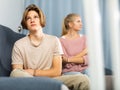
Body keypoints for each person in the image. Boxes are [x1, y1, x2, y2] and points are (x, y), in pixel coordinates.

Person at [10, 4, 90, 90]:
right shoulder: (18, 44)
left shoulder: (54, 40)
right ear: (25, 23)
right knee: (15, 73)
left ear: (41, 19)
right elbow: (17, 73)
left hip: (53, 79)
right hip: (30, 80)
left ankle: (40, 86)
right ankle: (40, 86)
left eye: (35, 17)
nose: (32, 20)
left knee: (84, 79)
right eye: (28, 18)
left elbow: (56, 72)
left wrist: (34, 72)